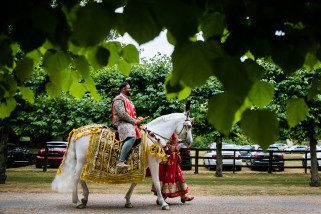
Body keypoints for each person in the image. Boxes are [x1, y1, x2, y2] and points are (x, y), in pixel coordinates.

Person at [151, 132, 194, 203]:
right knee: (167, 178)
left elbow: (181, 144)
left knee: (179, 177)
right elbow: (164, 145)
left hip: (174, 160)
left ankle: (183, 197)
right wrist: (175, 148)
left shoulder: (175, 132)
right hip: (167, 161)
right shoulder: (168, 132)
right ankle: (161, 199)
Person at [112, 82, 143, 168]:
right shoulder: (118, 99)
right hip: (121, 123)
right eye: (128, 88)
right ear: (123, 89)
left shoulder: (128, 100)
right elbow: (122, 114)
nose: (130, 89)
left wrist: (137, 120)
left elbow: (131, 114)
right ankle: (120, 161)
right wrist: (134, 121)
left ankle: (127, 157)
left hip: (129, 122)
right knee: (132, 136)